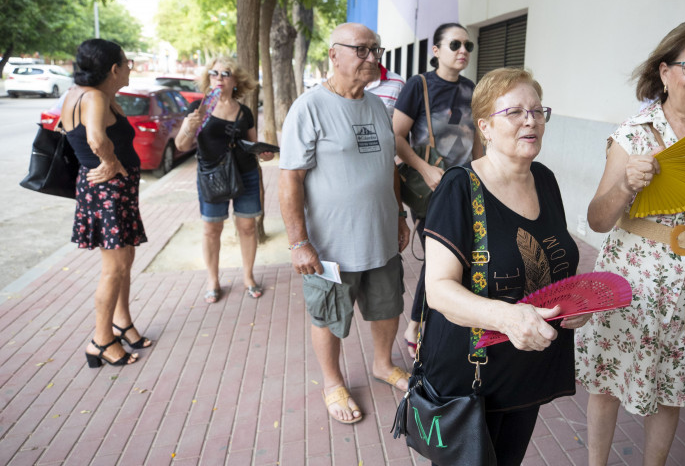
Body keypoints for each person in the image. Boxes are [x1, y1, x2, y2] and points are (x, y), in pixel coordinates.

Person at [575, 20, 685, 466]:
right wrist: (626, 186)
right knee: (606, 383)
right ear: (666, 70)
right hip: (629, 281)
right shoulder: (635, 134)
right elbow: (597, 219)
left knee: (671, 390)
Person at [421, 67, 588, 464]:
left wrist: (576, 305)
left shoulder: (544, 180)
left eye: (537, 111)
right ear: (485, 128)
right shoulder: (460, 187)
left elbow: (552, 258)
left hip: (527, 368)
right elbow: (438, 289)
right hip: (471, 374)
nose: (530, 120)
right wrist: (508, 318)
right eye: (514, 112)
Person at [279, 22, 411, 425]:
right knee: (329, 315)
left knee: (388, 307)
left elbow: (387, 165)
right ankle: (333, 382)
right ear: (334, 54)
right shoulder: (309, 107)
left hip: (381, 236)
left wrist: (399, 214)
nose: (373, 58)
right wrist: (298, 242)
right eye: (362, 50)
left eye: (376, 50)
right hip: (331, 246)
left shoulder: (375, 105)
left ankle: (383, 363)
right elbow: (290, 179)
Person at [393, 22, 484, 355]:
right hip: (428, 188)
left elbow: (476, 140)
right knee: (441, 256)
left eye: (468, 46)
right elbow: (397, 136)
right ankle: (415, 325)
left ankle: (434, 321)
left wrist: (480, 178)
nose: (463, 51)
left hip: (461, 185)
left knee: (457, 256)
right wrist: (425, 168)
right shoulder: (419, 86)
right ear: (436, 51)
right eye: (455, 44)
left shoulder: (472, 89)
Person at [62, 39, 151, 368]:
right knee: (113, 269)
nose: (130, 68)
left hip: (115, 192)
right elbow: (95, 139)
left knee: (124, 261)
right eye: (127, 63)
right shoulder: (96, 97)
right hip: (108, 192)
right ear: (114, 69)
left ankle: (122, 324)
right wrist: (111, 161)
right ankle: (100, 341)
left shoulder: (82, 95)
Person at [174, 56, 274, 303]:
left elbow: (251, 145)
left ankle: (248, 277)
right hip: (212, 176)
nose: (219, 78)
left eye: (225, 73)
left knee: (248, 227)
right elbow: (180, 144)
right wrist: (189, 127)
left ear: (236, 81)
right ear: (208, 78)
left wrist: (264, 153)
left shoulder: (245, 112)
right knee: (211, 229)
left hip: (246, 174)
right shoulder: (199, 110)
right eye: (214, 73)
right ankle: (213, 280)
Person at [364, 33, 405, 118]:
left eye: (374, 50)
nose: (372, 58)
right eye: (362, 50)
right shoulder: (345, 83)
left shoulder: (398, 84)